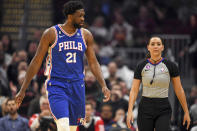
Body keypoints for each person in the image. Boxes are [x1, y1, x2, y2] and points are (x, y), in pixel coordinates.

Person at [15, 1, 111, 131]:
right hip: (57, 85)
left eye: (84, 15)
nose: (83, 19)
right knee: (63, 126)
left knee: (72, 128)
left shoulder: (86, 35)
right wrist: (23, 89)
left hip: (77, 85)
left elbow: (93, 62)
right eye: (80, 16)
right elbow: (36, 61)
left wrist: (103, 85)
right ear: (70, 16)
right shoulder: (51, 33)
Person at [126, 37, 191, 131]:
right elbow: (134, 90)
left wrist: (186, 111)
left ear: (162, 47)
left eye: (158, 44)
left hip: (163, 107)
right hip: (145, 107)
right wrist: (130, 111)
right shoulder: (141, 66)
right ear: (148, 47)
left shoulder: (171, 66)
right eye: (152, 44)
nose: (155, 46)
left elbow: (179, 89)